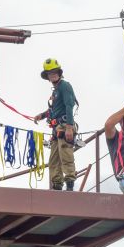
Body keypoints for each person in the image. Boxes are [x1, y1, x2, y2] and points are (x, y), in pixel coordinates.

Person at [33, 58, 78, 191]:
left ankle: (69, 183)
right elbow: (54, 110)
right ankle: (57, 184)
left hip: (64, 126)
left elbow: (69, 106)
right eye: (49, 73)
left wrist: (69, 128)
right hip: (56, 129)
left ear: (58, 72)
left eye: (53, 72)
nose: (51, 75)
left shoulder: (64, 86)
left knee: (66, 155)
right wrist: (41, 116)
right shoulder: (56, 90)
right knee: (54, 159)